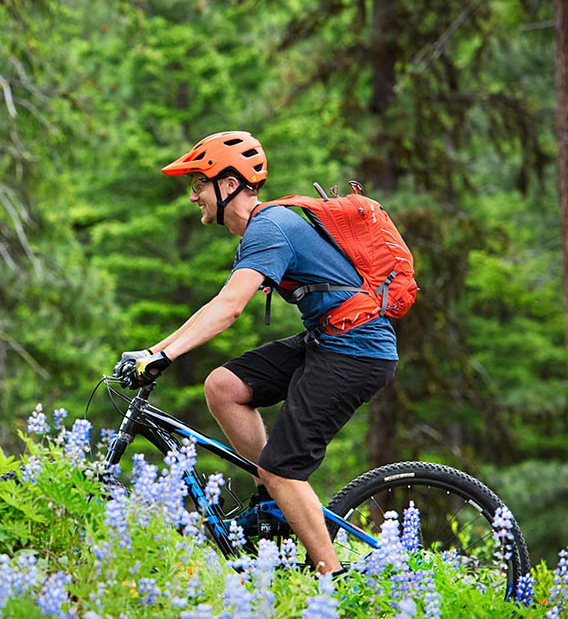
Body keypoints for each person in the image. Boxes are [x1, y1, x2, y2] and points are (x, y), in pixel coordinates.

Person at [113, 130, 398, 575]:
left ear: (228, 185)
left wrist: (162, 356)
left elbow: (229, 308)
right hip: (329, 338)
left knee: (285, 468)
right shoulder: (266, 229)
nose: (194, 197)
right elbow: (219, 304)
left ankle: (331, 580)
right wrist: (154, 352)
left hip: (355, 349)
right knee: (224, 387)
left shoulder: (270, 228)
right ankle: (274, 505)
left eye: (198, 184)